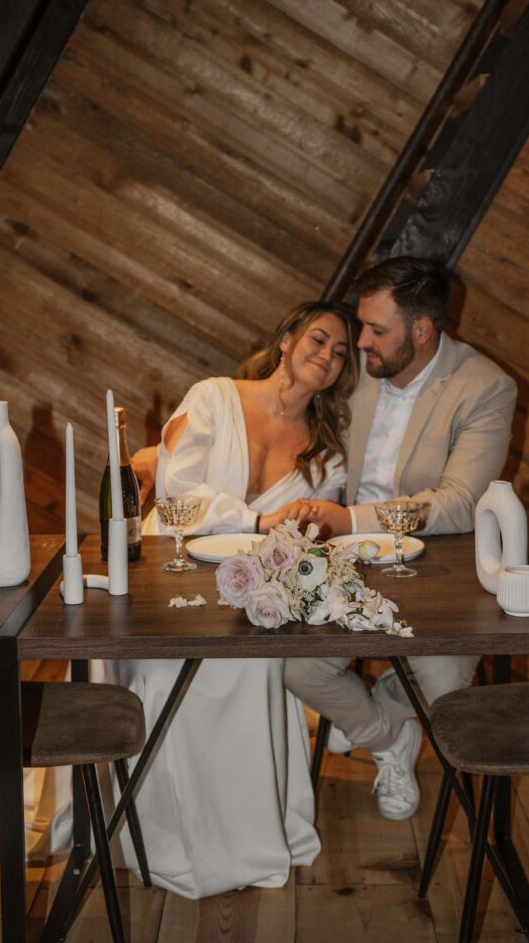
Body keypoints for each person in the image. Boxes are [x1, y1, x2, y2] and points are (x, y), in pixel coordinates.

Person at [101, 301, 360, 898]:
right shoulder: (214, 396)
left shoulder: (329, 453)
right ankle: (158, 833)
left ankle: (244, 834)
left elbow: (305, 537)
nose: (327, 356)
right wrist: (255, 517)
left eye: (340, 352)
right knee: (175, 676)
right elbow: (174, 488)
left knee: (252, 668)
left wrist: (300, 529)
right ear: (288, 336)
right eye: (319, 339)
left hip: (251, 595)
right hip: (170, 579)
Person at [283, 258, 517, 822]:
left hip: (439, 567)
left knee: (443, 693)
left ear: (422, 329)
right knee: (297, 668)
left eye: (376, 330)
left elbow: (460, 503)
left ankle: (390, 698)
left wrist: (352, 518)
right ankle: (389, 737)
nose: (358, 341)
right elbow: (273, 395)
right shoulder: (357, 366)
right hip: (341, 561)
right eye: (360, 326)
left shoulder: (485, 387)